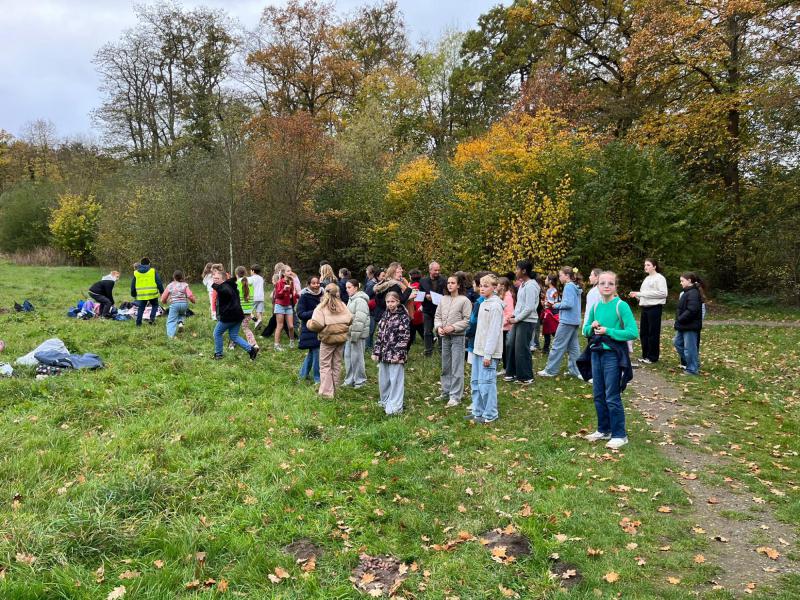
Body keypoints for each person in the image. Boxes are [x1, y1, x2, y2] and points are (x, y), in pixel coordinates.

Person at [578, 271, 639, 450]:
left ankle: (620, 434)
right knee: (598, 394)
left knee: (612, 395)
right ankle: (603, 430)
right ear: (598, 285)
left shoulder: (621, 306)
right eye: (603, 283)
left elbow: (632, 332)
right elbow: (585, 330)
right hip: (596, 353)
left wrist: (609, 331)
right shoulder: (596, 306)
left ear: (615, 286)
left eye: (610, 283)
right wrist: (593, 327)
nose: (606, 286)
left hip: (613, 355)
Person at [468, 274, 504, 424]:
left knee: (487, 384)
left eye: (486, 286)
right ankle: (478, 411)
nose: (482, 288)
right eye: (481, 285)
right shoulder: (483, 303)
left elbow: (493, 332)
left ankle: (490, 414)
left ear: (494, 288)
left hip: (488, 352)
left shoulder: (495, 306)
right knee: (476, 382)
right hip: (478, 349)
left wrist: (488, 354)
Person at [308, 283, 353, 399]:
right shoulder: (342, 305)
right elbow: (350, 319)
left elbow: (317, 324)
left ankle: (327, 393)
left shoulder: (321, 307)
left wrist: (309, 324)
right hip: (341, 339)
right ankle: (335, 388)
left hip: (328, 339)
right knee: (336, 363)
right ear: (337, 292)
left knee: (325, 365)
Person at [434, 273, 472, 407]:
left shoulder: (464, 300)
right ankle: (446, 391)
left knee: (456, 367)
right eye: (448, 283)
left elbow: (467, 320)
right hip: (444, 337)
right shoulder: (443, 299)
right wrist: (438, 327)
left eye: (453, 283)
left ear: (459, 285)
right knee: (445, 366)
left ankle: (455, 396)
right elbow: (437, 316)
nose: (450, 285)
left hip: (458, 338)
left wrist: (453, 327)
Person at [539, 267, 583, 379]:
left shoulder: (569, 286)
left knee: (557, 345)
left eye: (560, 275)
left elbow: (568, 304)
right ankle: (575, 370)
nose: (559, 277)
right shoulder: (574, 286)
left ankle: (551, 370)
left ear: (567, 276)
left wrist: (555, 305)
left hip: (567, 321)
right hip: (574, 320)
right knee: (573, 348)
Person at [372, 291, 411, 415]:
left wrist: (397, 354)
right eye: (388, 302)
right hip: (384, 353)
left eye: (392, 301)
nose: (390, 304)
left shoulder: (403, 316)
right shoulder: (385, 314)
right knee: (384, 379)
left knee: (396, 380)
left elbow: (405, 337)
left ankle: (395, 406)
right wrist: (376, 351)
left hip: (396, 355)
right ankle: (385, 400)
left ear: (398, 302)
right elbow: (380, 335)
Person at [210, 268, 259, 360]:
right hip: (238, 315)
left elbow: (225, 291)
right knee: (234, 336)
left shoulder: (224, 287)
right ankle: (251, 350)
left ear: (223, 279)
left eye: (217, 278)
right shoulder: (230, 285)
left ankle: (218, 354)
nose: (215, 280)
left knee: (217, 333)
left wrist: (216, 286)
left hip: (229, 316)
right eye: (214, 278)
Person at [504, 259, 539, 384]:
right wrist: (514, 315)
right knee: (511, 345)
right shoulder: (523, 284)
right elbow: (521, 304)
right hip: (519, 319)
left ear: (524, 271)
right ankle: (512, 372)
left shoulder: (531, 285)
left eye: (517, 269)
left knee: (521, 349)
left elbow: (529, 307)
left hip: (527, 321)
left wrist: (517, 319)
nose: (516, 271)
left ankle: (526, 377)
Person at [629, 258, 668, 364]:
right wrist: (637, 296)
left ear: (654, 266)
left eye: (648, 265)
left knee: (653, 333)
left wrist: (641, 294)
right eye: (645, 265)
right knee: (644, 332)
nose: (646, 267)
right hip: (645, 308)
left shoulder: (660, 278)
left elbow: (663, 293)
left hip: (654, 308)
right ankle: (645, 355)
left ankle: (653, 357)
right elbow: (645, 294)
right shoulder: (646, 279)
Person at [674, 272, 704, 376]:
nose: (680, 283)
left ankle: (692, 369)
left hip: (689, 325)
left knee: (689, 348)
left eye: (682, 280)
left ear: (689, 280)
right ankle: (694, 363)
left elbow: (692, 310)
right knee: (677, 343)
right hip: (684, 324)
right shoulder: (687, 292)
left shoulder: (693, 293)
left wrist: (680, 319)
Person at [344, 279, 370, 388]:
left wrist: (354, 335)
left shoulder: (360, 300)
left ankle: (360, 380)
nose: (347, 290)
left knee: (357, 357)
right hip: (350, 334)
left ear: (356, 288)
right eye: (346, 287)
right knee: (348, 356)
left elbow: (360, 319)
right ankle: (350, 379)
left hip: (357, 335)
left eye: (349, 287)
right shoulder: (351, 299)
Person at [297, 276, 323, 385]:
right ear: (309, 285)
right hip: (309, 328)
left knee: (313, 352)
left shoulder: (324, 295)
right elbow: (301, 314)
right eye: (313, 283)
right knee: (316, 352)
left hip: (321, 328)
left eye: (317, 283)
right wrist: (316, 311)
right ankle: (317, 378)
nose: (316, 285)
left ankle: (303, 375)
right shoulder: (304, 297)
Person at [420, 261, 446, 356]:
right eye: (435, 270)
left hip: (440, 310)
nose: (437, 272)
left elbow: (447, 294)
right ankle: (428, 351)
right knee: (427, 331)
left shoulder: (444, 280)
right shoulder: (423, 281)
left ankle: (441, 351)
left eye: (439, 270)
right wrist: (426, 296)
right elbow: (419, 295)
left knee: (441, 331)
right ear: (430, 270)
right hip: (427, 309)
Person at [161, 269, 196, 338]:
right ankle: (180, 323)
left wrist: (164, 301)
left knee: (171, 320)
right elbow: (189, 295)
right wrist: (193, 301)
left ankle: (171, 336)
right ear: (182, 277)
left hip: (174, 304)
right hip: (184, 304)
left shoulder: (170, 285)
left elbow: (163, 297)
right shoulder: (185, 285)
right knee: (181, 314)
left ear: (173, 277)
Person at [131, 257, 164, 326]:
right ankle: (152, 319)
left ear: (141, 264)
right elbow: (159, 282)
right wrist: (162, 292)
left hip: (142, 294)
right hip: (152, 293)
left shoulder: (136, 273)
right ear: (149, 263)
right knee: (155, 305)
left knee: (141, 308)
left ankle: (138, 323)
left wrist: (133, 294)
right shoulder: (152, 271)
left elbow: (133, 284)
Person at [235, 266, 259, 351]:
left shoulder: (236, 283)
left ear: (236, 274)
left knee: (234, 327)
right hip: (248, 310)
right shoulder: (251, 283)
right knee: (245, 328)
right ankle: (254, 345)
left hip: (238, 310)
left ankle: (232, 344)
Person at [273, 268, 296, 351]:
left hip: (288, 306)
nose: (290, 272)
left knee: (291, 326)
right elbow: (277, 296)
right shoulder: (279, 282)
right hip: (280, 305)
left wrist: (295, 296)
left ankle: (292, 341)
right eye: (288, 271)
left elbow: (293, 294)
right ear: (284, 273)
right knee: (280, 325)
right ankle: (276, 345)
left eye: (290, 270)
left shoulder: (292, 282)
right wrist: (284, 290)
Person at [497, 277, 515, 372]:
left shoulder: (508, 297)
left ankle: (506, 368)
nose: (496, 286)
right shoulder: (502, 296)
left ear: (503, 286)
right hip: (502, 327)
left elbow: (509, 313)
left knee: (505, 348)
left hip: (506, 327)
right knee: (502, 348)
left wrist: (502, 323)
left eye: (498, 284)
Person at [541, 274, 560, 353]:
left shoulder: (550, 290)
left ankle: (547, 348)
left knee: (549, 331)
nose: (545, 280)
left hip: (549, 313)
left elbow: (551, 303)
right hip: (552, 313)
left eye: (546, 279)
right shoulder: (554, 290)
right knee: (551, 330)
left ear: (550, 281)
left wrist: (543, 303)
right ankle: (548, 347)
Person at [407, 269, 425, 345]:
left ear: (411, 276)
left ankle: (411, 340)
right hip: (419, 308)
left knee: (415, 325)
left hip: (414, 308)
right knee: (418, 325)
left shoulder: (413, 286)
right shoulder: (421, 284)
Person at [364, 265, 380, 350]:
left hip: (371, 307)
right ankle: (369, 346)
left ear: (370, 272)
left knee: (371, 328)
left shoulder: (372, 283)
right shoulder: (371, 281)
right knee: (371, 328)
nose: (366, 272)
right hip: (372, 307)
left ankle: (368, 346)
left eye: (367, 270)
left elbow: (367, 294)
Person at [249, 264, 266, 329]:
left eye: (251, 270)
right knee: (259, 312)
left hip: (253, 297)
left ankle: (255, 320)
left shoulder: (251, 278)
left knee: (247, 311)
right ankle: (259, 327)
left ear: (253, 271)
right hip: (261, 297)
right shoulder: (261, 278)